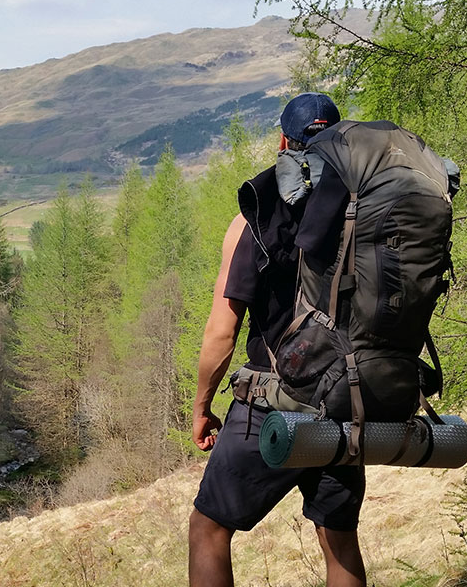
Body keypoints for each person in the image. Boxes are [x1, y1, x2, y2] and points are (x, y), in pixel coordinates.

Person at [188, 93, 367, 587]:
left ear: (284, 142)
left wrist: (202, 406)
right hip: (346, 399)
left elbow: (221, 332)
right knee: (339, 541)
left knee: (209, 527)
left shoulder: (256, 219)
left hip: (274, 402)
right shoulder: (364, 213)